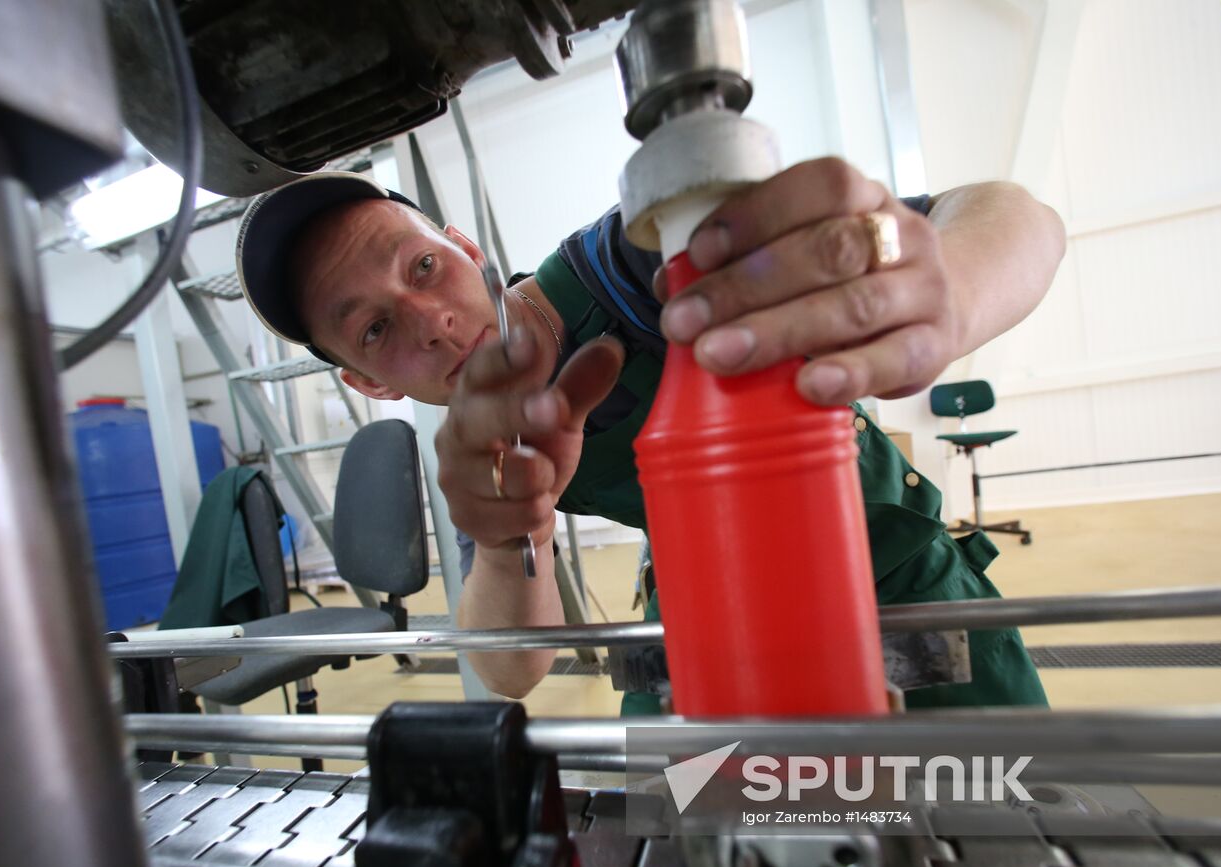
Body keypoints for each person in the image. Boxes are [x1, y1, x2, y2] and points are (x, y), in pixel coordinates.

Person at [236, 158, 1065, 711]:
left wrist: (941, 289)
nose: (435, 323)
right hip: (703, 623)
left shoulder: (636, 266)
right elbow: (513, 666)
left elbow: (1016, 215)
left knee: (994, 840)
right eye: (375, 330)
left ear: (465, 247)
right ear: (367, 382)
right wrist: (508, 539)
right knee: (711, 864)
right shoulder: (483, 442)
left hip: (891, 588)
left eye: (422, 267)